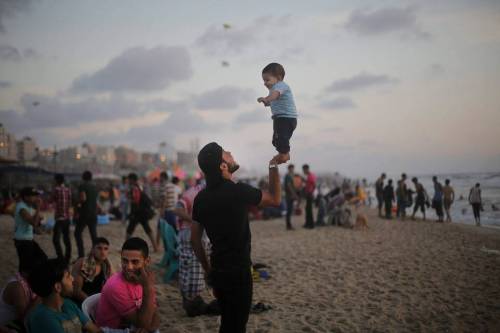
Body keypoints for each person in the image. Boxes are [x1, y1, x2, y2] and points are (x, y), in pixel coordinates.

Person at [191, 142, 281, 333]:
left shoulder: (201, 199)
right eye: (226, 153)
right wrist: (273, 165)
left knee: (228, 322)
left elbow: (195, 240)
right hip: (239, 271)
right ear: (223, 166)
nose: (231, 153)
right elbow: (275, 199)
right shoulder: (238, 191)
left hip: (218, 270)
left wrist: (208, 270)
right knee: (237, 325)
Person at [96, 237, 159, 331]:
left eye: (135, 262)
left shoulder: (144, 279)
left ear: (147, 261)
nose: (129, 267)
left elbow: (155, 313)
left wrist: (150, 328)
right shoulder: (115, 286)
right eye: (125, 261)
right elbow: (141, 323)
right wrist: (148, 288)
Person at [174, 181, 217, 317]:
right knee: (194, 266)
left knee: (190, 268)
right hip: (189, 233)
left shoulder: (202, 193)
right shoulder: (194, 193)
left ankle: (190, 299)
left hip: (193, 233)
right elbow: (177, 209)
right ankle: (191, 301)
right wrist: (195, 220)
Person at [26, 258, 101, 333]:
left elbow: (95, 330)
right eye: (68, 277)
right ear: (58, 287)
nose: (72, 279)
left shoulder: (68, 304)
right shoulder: (43, 318)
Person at [257, 62, 298, 164]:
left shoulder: (281, 86)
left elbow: (274, 96)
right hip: (279, 118)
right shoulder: (274, 89)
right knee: (275, 141)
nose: (265, 83)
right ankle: (283, 152)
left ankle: (285, 154)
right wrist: (267, 102)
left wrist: (267, 99)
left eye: (267, 80)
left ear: (278, 77)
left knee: (281, 139)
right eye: (264, 80)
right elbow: (274, 100)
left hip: (286, 118)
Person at [0, 253, 43, 332]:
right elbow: (25, 319)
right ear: (25, 272)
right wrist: (42, 295)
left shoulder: (29, 281)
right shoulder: (17, 287)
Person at [13, 187, 48, 277]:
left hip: (28, 240)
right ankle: (21, 285)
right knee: (26, 267)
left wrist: (38, 221)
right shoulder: (21, 208)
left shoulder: (28, 207)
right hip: (22, 241)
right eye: (34, 195)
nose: (36, 198)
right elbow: (33, 222)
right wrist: (39, 208)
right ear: (26, 197)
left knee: (42, 258)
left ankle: (25, 282)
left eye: (37, 195)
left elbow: (38, 220)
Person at [71, 237, 114, 307]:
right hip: (81, 302)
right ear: (93, 249)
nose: (103, 252)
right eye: (99, 248)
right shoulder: (82, 263)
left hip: (97, 300)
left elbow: (112, 285)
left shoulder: (107, 265)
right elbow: (76, 291)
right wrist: (93, 304)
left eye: (106, 249)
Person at [127, 173, 158, 252]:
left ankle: (125, 247)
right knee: (148, 229)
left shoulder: (135, 188)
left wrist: (130, 199)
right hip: (142, 212)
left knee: (129, 230)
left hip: (138, 213)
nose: (128, 181)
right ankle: (155, 248)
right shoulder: (139, 186)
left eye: (129, 179)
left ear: (132, 180)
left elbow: (136, 201)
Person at [75, 170, 99, 258]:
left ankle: (81, 255)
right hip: (93, 214)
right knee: (94, 235)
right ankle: (95, 255)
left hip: (84, 213)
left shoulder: (82, 186)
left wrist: (76, 202)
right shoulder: (95, 186)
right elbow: (96, 201)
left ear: (83, 177)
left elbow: (83, 198)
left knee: (77, 233)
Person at [52, 173, 72, 264]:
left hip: (59, 218)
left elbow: (51, 200)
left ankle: (60, 258)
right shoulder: (68, 189)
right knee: (66, 239)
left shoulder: (56, 190)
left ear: (56, 180)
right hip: (67, 218)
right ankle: (67, 259)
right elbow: (70, 203)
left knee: (56, 240)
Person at [155, 172, 178, 249]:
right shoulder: (173, 185)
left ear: (163, 177)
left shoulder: (164, 186)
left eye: (160, 177)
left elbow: (164, 199)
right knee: (173, 229)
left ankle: (158, 246)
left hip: (167, 211)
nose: (159, 179)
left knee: (161, 229)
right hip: (173, 210)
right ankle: (175, 245)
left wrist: (162, 211)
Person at [284, 164, 298, 230]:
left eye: (293, 168)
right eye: (291, 168)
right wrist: (293, 194)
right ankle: (288, 225)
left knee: (290, 210)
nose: (292, 169)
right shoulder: (288, 176)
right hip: (289, 196)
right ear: (289, 169)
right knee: (289, 210)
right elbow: (289, 186)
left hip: (289, 195)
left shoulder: (290, 176)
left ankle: (289, 225)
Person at [302, 164, 316, 229]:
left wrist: (311, 192)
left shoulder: (311, 175)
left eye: (304, 170)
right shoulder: (308, 176)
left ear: (306, 169)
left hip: (310, 194)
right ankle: (307, 223)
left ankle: (311, 225)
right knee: (307, 209)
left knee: (309, 210)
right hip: (308, 194)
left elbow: (314, 184)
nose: (303, 171)